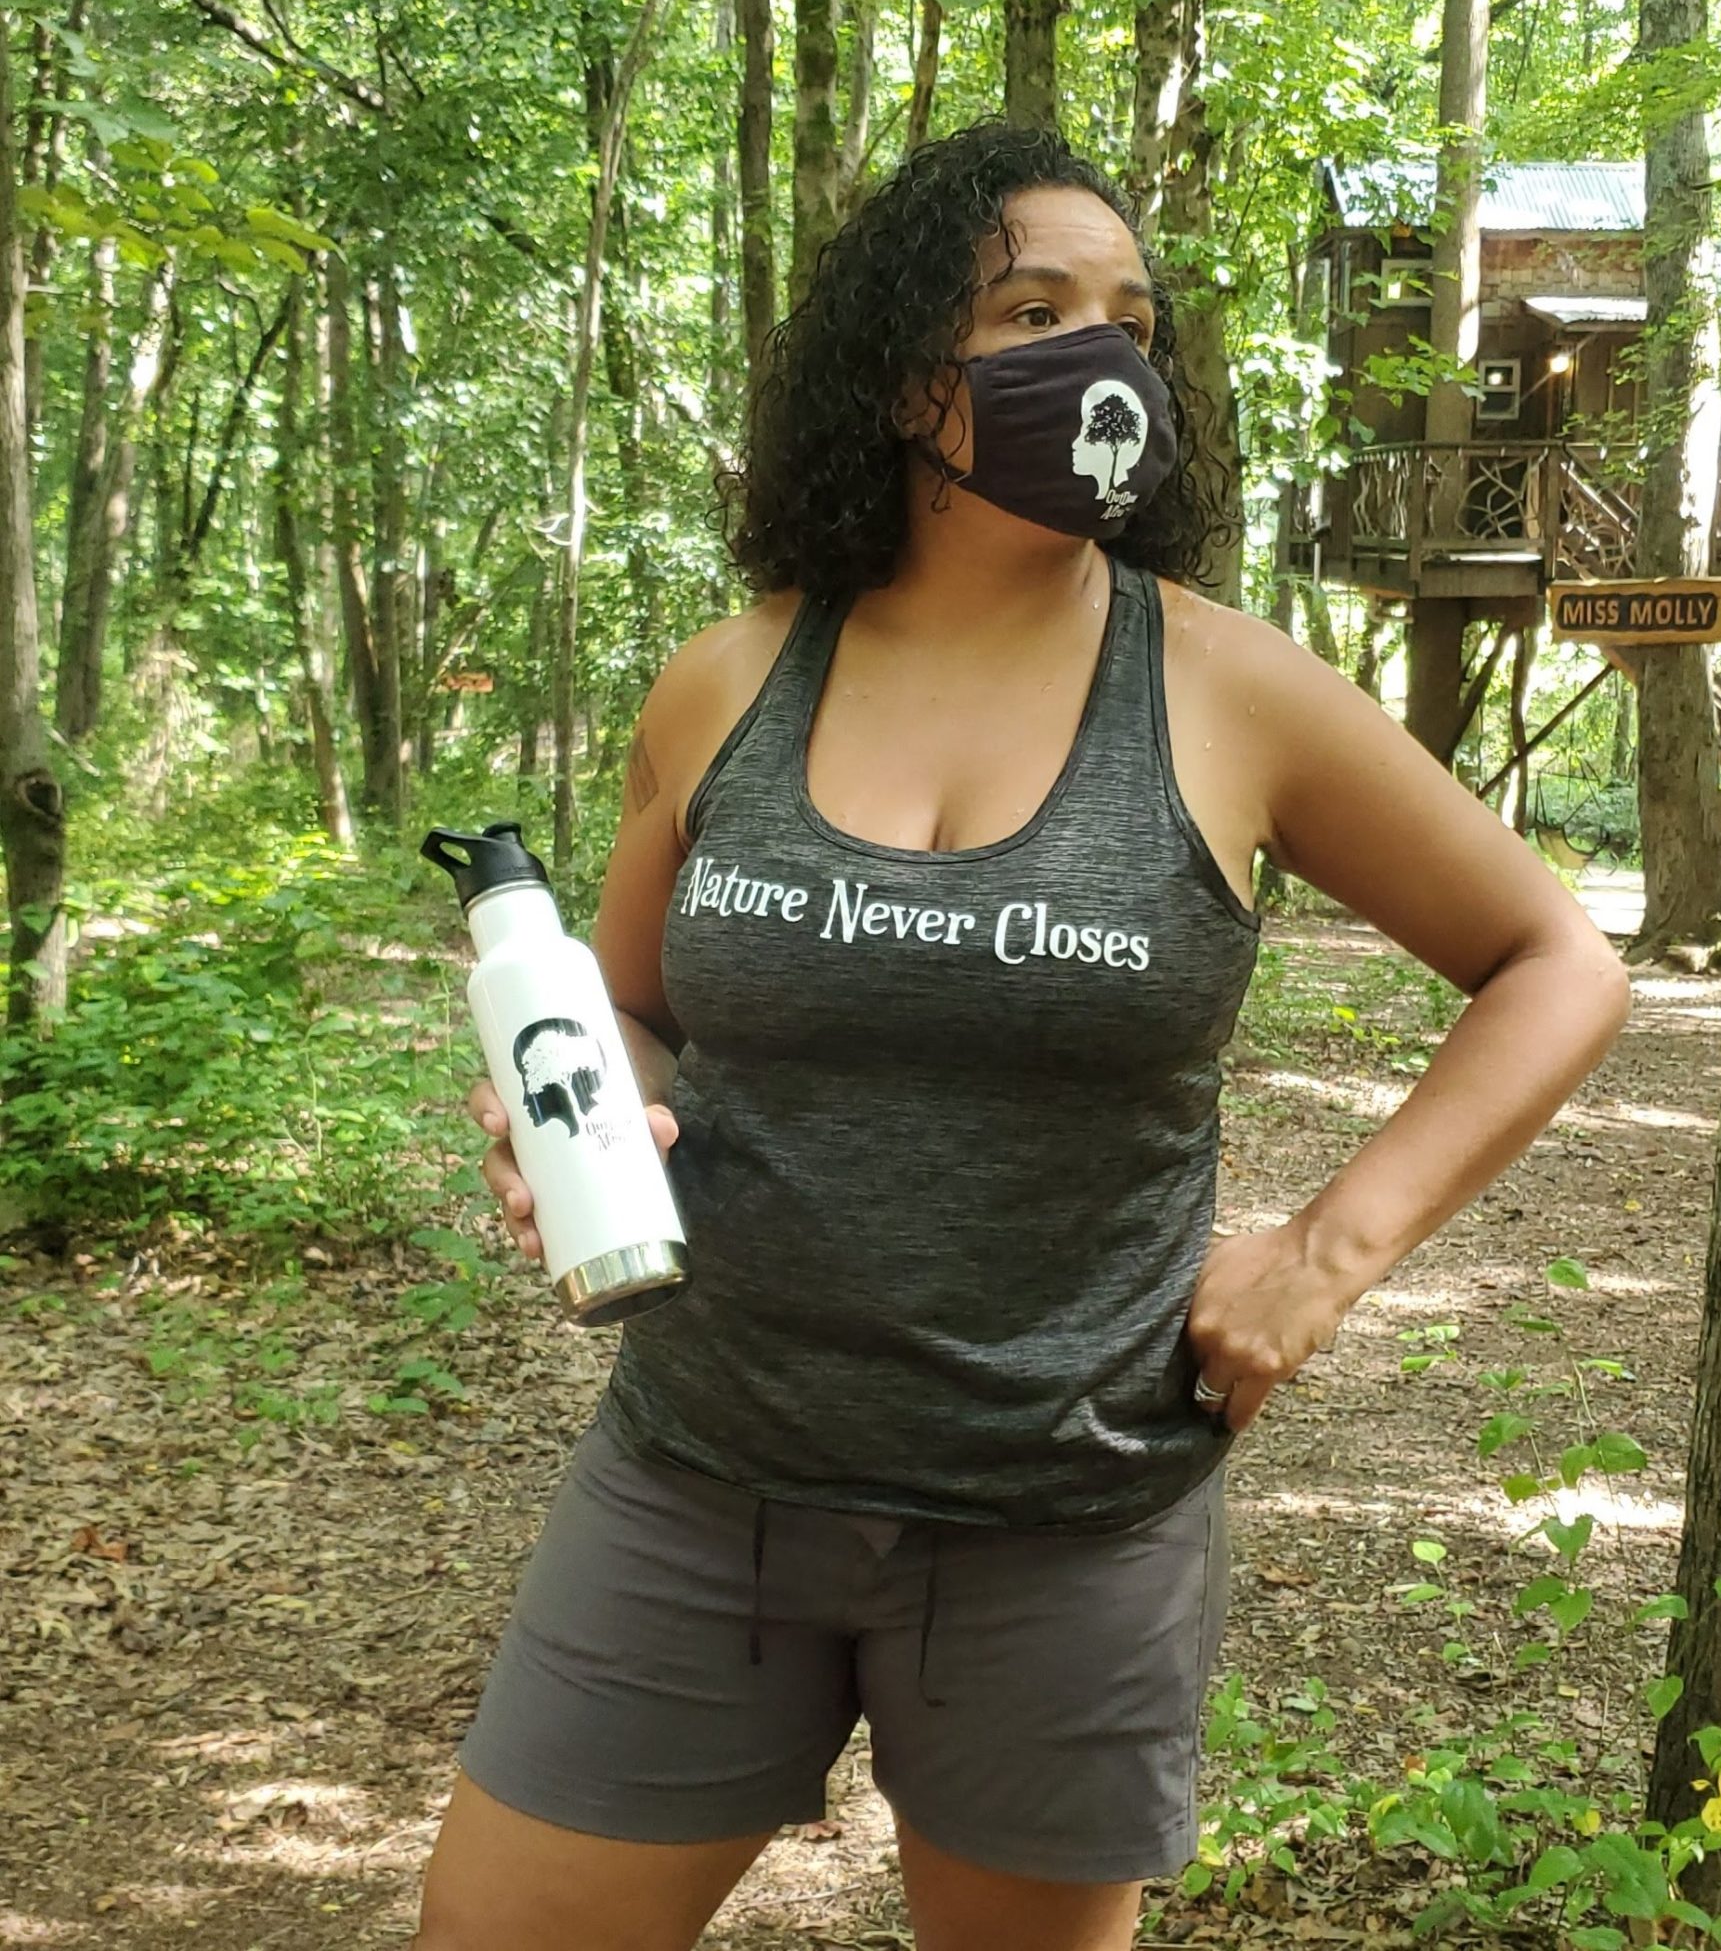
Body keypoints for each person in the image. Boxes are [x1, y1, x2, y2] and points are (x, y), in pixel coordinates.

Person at [413, 121, 1630, 1951]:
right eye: (1034, 312)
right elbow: (634, 1008)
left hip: (1067, 1515)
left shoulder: (1225, 685)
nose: (1103, 355)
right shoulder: (731, 679)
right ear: (907, 375)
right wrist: (581, 1111)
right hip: (700, 1479)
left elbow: (1557, 958)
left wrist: (1328, 1250)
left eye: (1131, 319)